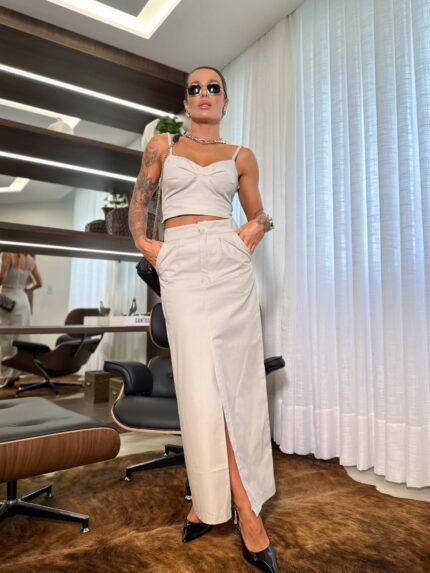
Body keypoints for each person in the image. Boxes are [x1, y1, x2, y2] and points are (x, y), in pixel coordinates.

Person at [129, 66, 278, 572]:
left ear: (225, 100)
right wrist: (147, 245)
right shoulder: (163, 146)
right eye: (195, 88)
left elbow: (258, 213)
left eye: (213, 87)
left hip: (228, 259)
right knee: (199, 387)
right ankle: (220, 502)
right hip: (180, 262)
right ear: (186, 101)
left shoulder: (241, 156)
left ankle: (241, 505)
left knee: (238, 385)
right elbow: (139, 201)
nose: (204, 94)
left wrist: (255, 230)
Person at [0, 252, 42, 387]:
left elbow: (2, 277)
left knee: (6, 338)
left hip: (6, 297)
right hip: (23, 300)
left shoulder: (6, 254)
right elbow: (39, 283)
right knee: (21, 338)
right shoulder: (30, 259)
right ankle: (15, 373)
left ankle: (8, 374)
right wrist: (25, 288)